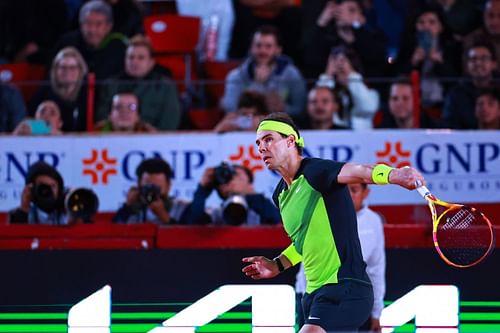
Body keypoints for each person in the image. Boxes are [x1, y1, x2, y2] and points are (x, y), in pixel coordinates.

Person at [242, 112, 425, 333]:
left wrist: (393, 174)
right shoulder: (280, 195)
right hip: (312, 296)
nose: (261, 147)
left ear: (290, 141)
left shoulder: (316, 171)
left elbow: (359, 171)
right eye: (258, 142)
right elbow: (305, 242)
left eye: (269, 139)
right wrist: (277, 264)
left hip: (346, 287)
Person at [295, 183, 385, 332]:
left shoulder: (373, 221)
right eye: (343, 190)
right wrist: (310, 304)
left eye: (354, 190)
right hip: (315, 296)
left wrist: (376, 312)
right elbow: (308, 263)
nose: (348, 195)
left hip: (352, 298)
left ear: (365, 193)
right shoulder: (319, 215)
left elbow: (376, 268)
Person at [95, 36, 181, 130]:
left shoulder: (165, 86)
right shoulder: (110, 84)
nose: (134, 62)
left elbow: (169, 122)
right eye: (131, 57)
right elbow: (102, 118)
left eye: (141, 58)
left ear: (151, 62)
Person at [221, 25, 306, 118]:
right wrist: (257, 84)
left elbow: (301, 109)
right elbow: (231, 109)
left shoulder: (291, 74)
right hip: (246, 129)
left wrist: (283, 108)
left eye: (268, 46)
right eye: (258, 45)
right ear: (251, 48)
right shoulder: (236, 76)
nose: (262, 51)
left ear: (278, 50)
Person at [301, 0, 387, 79]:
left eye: (351, 10)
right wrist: (321, 23)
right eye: (340, 10)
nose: (344, 14)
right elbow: (310, 60)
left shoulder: (374, 37)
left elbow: (375, 60)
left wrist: (357, 26)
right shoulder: (327, 40)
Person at [52, 0, 128, 80]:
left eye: (98, 24)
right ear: (81, 25)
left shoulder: (119, 47)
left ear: (108, 26)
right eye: (88, 23)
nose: (92, 30)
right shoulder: (66, 43)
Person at [185, 162, 281, 225]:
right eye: (227, 178)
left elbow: (278, 224)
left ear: (249, 181)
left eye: (236, 175)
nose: (231, 181)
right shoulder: (216, 213)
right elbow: (194, 226)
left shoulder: (261, 208)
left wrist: (251, 195)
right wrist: (202, 190)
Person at [316, 46, 380, 129]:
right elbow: (319, 99)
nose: (342, 75)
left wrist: (352, 76)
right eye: (338, 72)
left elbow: (367, 108)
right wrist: (328, 75)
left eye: (344, 72)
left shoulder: (371, 93)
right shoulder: (331, 90)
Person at [113, 158, 190, 224]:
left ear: (168, 186)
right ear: (139, 185)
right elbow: (115, 234)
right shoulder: (133, 210)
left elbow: (187, 237)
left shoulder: (181, 209)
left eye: (157, 189)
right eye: (148, 188)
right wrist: (127, 208)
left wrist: (165, 217)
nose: (152, 194)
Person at [29, 47, 89, 132]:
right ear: (55, 70)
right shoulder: (44, 92)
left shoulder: (87, 93)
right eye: (63, 67)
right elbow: (32, 123)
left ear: (80, 71)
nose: (67, 72)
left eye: (72, 68)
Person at [442, 42, 499, 129]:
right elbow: (449, 125)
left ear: (494, 64)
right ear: (467, 65)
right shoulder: (455, 94)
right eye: (473, 59)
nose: (478, 63)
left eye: (484, 58)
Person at [463, 0, 500, 69]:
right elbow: (467, 70)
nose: (495, 21)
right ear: (484, 16)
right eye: (490, 15)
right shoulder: (472, 39)